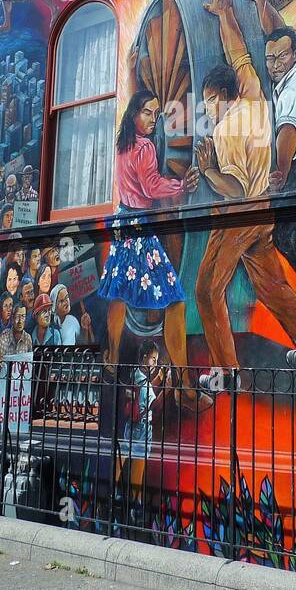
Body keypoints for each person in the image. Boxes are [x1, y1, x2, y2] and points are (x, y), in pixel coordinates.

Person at [193, 0, 296, 382]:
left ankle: (226, 372)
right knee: (272, 285)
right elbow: (237, 51)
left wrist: (209, 172)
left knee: (207, 290)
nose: (206, 109)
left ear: (221, 97)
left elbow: (233, 189)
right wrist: (226, 15)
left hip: (238, 214)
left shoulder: (225, 132)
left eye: (207, 101)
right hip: (263, 214)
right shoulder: (254, 96)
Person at [99, 88, 201, 375]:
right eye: (148, 112)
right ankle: (182, 376)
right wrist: (181, 186)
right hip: (140, 227)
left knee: (119, 293)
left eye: (156, 114)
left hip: (121, 220)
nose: (153, 119)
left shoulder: (122, 144)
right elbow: (152, 187)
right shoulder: (144, 147)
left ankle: (114, 355)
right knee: (174, 298)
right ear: (133, 114)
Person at [114, 339, 162, 528]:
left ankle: (131, 500)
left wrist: (159, 380)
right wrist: (167, 387)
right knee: (132, 462)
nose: (155, 363)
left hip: (139, 427)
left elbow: (149, 388)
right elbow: (153, 404)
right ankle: (131, 502)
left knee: (133, 463)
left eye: (156, 360)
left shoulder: (138, 376)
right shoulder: (141, 379)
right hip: (139, 428)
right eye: (153, 359)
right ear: (143, 358)